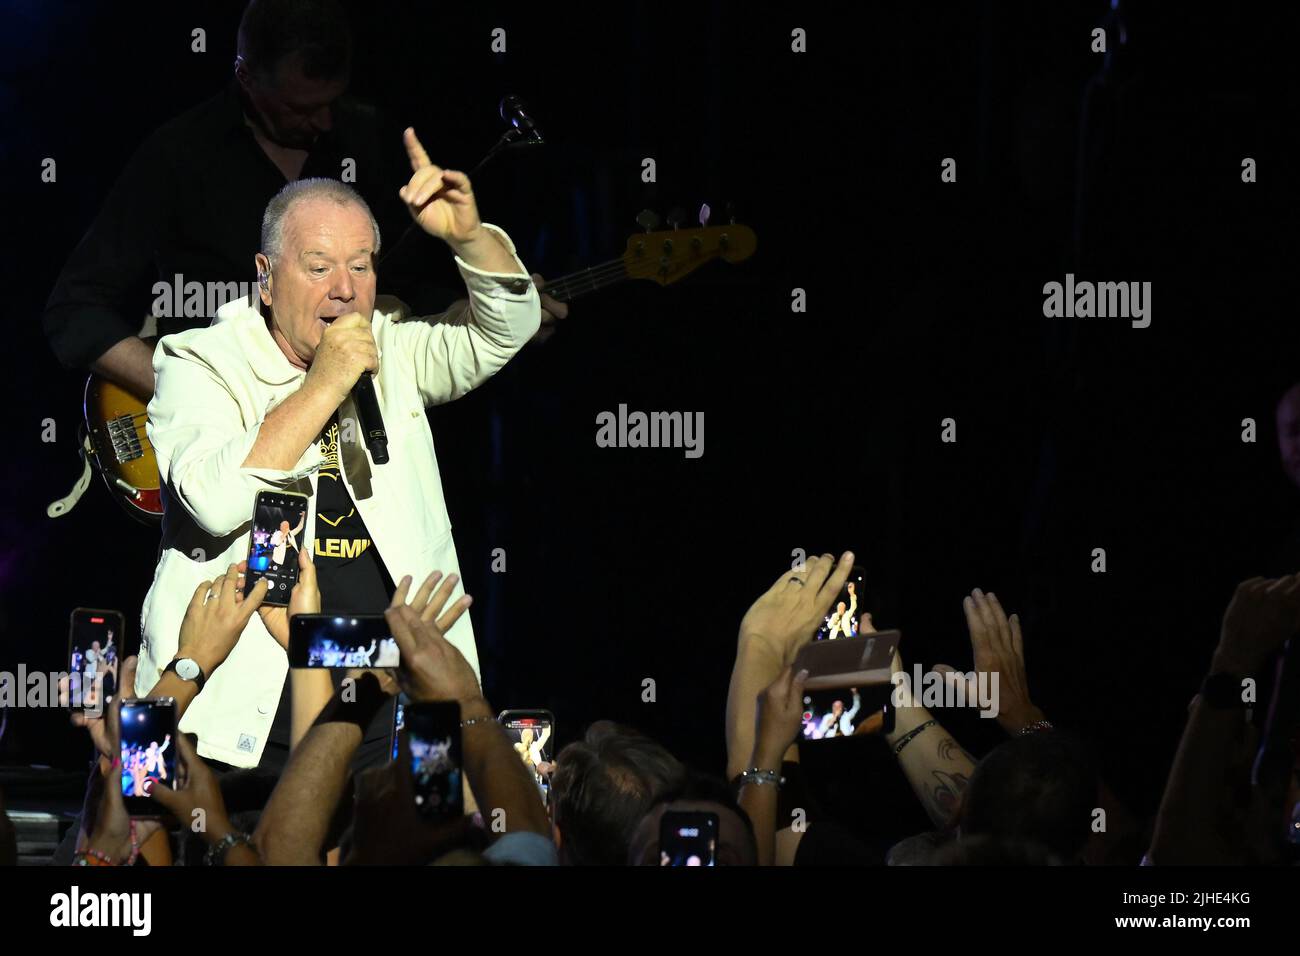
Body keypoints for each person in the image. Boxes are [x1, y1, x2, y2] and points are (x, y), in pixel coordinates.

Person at [136, 137, 540, 776]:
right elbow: (212, 500)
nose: (346, 290)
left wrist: (468, 239)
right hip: (242, 687)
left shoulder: (389, 346)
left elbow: (506, 331)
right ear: (266, 278)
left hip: (385, 675)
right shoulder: (198, 360)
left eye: (362, 265)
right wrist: (325, 383)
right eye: (319, 266)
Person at [43, 0, 567, 403]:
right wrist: (185, 393)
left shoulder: (368, 138)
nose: (321, 122)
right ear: (246, 76)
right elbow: (75, 309)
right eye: (300, 106)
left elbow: (407, 292)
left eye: (331, 102)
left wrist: (496, 304)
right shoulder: (177, 154)